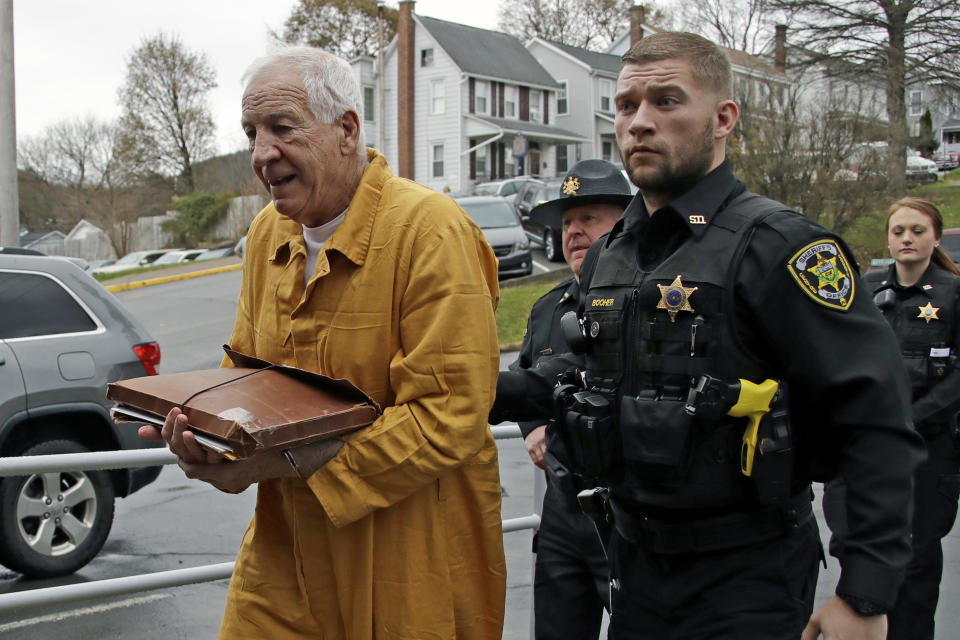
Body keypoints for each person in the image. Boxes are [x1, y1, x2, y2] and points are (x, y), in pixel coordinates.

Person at [489, 31, 925, 640]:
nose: (639, 122)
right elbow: (574, 378)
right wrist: (460, 386)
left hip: (745, 578)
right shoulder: (614, 254)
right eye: (626, 105)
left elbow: (875, 414)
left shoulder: (780, 246)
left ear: (723, 118)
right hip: (634, 567)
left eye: (666, 101)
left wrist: (867, 592)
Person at [140, 46, 506, 640]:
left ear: (346, 130)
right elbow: (247, 371)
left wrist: (282, 458)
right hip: (287, 552)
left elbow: (450, 415)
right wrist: (213, 435)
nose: (262, 153)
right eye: (251, 132)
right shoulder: (265, 234)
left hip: (410, 553)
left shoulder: (429, 230)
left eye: (282, 128)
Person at [824, 197, 960, 640]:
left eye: (917, 231)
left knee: (915, 564)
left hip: (926, 450)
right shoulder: (866, 289)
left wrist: (909, 419)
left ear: (935, 237)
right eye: (898, 231)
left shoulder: (953, 294)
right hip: (867, 449)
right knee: (856, 553)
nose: (906, 239)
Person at [512, 159, 631, 639]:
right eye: (566, 223)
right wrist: (533, 426)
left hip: (628, 519)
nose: (574, 232)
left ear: (624, 225)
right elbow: (525, 380)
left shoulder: (652, 299)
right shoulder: (548, 309)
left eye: (589, 219)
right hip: (563, 517)